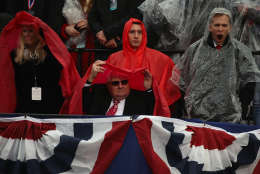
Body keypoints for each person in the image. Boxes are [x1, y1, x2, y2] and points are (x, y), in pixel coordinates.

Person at [175, 7, 260, 123]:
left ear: (230, 27)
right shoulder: (194, 49)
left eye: (224, 25)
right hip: (197, 115)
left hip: (229, 116)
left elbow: (250, 80)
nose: (220, 29)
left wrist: (243, 107)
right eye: (217, 25)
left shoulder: (240, 51)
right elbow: (182, 80)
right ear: (210, 27)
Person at [0, 11, 80, 114]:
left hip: (48, 105)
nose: (27, 34)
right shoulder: (14, 55)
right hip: (24, 106)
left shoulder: (49, 53)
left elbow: (59, 72)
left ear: (37, 33)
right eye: (24, 31)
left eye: (31, 31)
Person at [106, 18, 181, 117]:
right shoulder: (114, 58)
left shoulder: (160, 59)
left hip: (149, 112)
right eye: (132, 32)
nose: (136, 36)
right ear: (125, 34)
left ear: (144, 35)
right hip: (121, 112)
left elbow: (173, 86)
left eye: (140, 32)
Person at [83, 60, 155, 115]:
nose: (120, 86)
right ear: (108, 85)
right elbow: (81, 103)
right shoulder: (99, 94)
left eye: (124, 82)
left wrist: (148, 88)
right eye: (115, 83)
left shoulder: (139, 99)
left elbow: (152, 111)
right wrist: (90, 78)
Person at [61, 0, 95, 76]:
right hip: (69, 47)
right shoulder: (64, 2)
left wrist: (91, 23)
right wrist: (65, 29)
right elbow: (54, 21)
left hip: (91, 48)